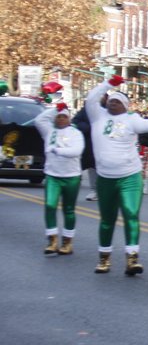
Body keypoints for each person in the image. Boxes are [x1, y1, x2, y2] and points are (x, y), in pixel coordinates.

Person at [86, 76, 148, 275]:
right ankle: (104, 259)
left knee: (131, 215)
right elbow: (91, 99)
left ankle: (132, 259)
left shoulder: (132, 119)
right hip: (105, 178)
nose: (113, 102)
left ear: (125, 106)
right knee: (107, 219)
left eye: (118, 101)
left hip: (129, 176)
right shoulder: (98, 116)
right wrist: (109, 84)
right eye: (111, 99)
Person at [34, 103, 84, 256]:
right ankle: (52, 241)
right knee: (50, 206)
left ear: (69, 119)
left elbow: (77, 150)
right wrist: (56, 108)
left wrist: (57, 150)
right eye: (58, 117)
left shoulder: (75, 133)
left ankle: (67, 242)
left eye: (64, 116)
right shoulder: (49, 131)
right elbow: (39, 120)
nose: (61, 119)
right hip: (53, 175)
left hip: (71, 176)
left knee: (69, 209)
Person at [71, 102, 99, 201]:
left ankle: (96, 191)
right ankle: (70, 190)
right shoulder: (85, 110)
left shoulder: (105, 110)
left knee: (96, 168)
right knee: (78, 168)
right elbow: (75, 122)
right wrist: (89, 127)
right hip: (85, 144)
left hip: (101, 145)